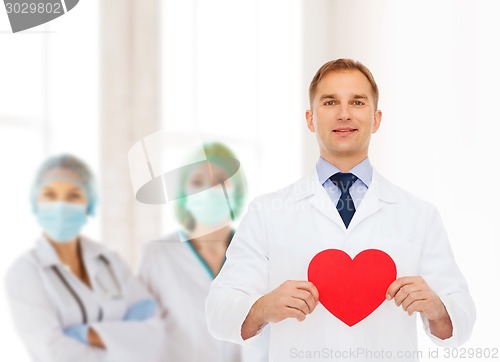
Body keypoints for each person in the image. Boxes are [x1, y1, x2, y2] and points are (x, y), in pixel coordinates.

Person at [206, 59, 476, 361]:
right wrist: (263, 307)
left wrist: (438, 308)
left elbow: (462, 314)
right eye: (330, 101)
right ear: (310, 119)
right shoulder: (267, 212)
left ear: (376, 119)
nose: (344, 113)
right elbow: (218, 309)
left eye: (357, 102)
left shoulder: (419, 215)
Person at [4, 154, 165, 362]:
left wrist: (82, 335)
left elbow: (153, 331)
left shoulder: (110, 261)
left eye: (73, 196)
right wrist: (123, 342)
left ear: (89, 204)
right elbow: (53, 353)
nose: (61, 205)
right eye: (50, 195)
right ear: (36, 202)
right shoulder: (24, 273)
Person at [139, 142, 268, 362]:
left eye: (220, 182)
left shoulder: (258, 252)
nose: (209, 190)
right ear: (182, 193)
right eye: (197, 182)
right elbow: (142, 338)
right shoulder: (157, 255)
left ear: (236, 191)